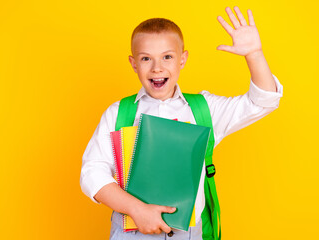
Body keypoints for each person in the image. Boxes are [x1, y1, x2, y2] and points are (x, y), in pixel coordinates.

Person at [80, 6, 283, 240]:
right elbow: (91, 173)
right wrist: (137, 210)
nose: (157, 67)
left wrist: (254, 54)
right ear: (133, 63)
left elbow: (263, 101)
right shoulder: (118, 113)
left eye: (167, 56)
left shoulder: (204, 109)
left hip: (189, 233)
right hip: (131, 231)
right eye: (146, 58)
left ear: (183, 59)